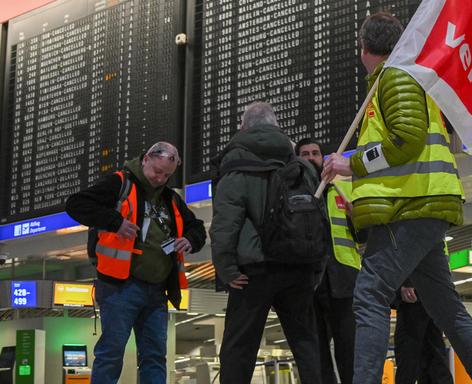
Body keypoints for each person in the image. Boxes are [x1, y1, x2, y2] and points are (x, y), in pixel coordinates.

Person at [320, 12, 472, 384]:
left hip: (409, 205)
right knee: (445, 307)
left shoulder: (396, 78)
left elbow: (407, 138)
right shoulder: (403, 78)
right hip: (425, 202)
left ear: (364, 47)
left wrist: (351, 163)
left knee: (369, 295)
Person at [65, 142, 207, 384]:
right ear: (145, 160)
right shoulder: (119, 184)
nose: (160, 178)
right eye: (157, 171)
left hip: (157, 290)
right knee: (111, 352)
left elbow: (197, 228)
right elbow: (76, 204)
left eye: (167, 175)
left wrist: (190, 240)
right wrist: (115, 222)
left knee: (154, 356)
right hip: (120, 287)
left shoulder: (171, 199)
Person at [210, 102, 324, 383]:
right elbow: (320, 220)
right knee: (307, 344)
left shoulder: (235, 164)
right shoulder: (301, 166)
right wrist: (317, 267)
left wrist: (226, 269)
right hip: (298, 266)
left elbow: (226, 223)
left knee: (239, 349)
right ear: (276, 125)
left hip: (254, 271)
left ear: (243, 127)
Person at [297, 138, 360, 384]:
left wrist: (357, 214)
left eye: (315, 153)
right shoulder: (293, 198)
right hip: (308, 286)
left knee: (351, 354)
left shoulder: (344, 192)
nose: (311, 157)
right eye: (305, 154)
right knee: (317, 358)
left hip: (344, 282)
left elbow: (364, 235)